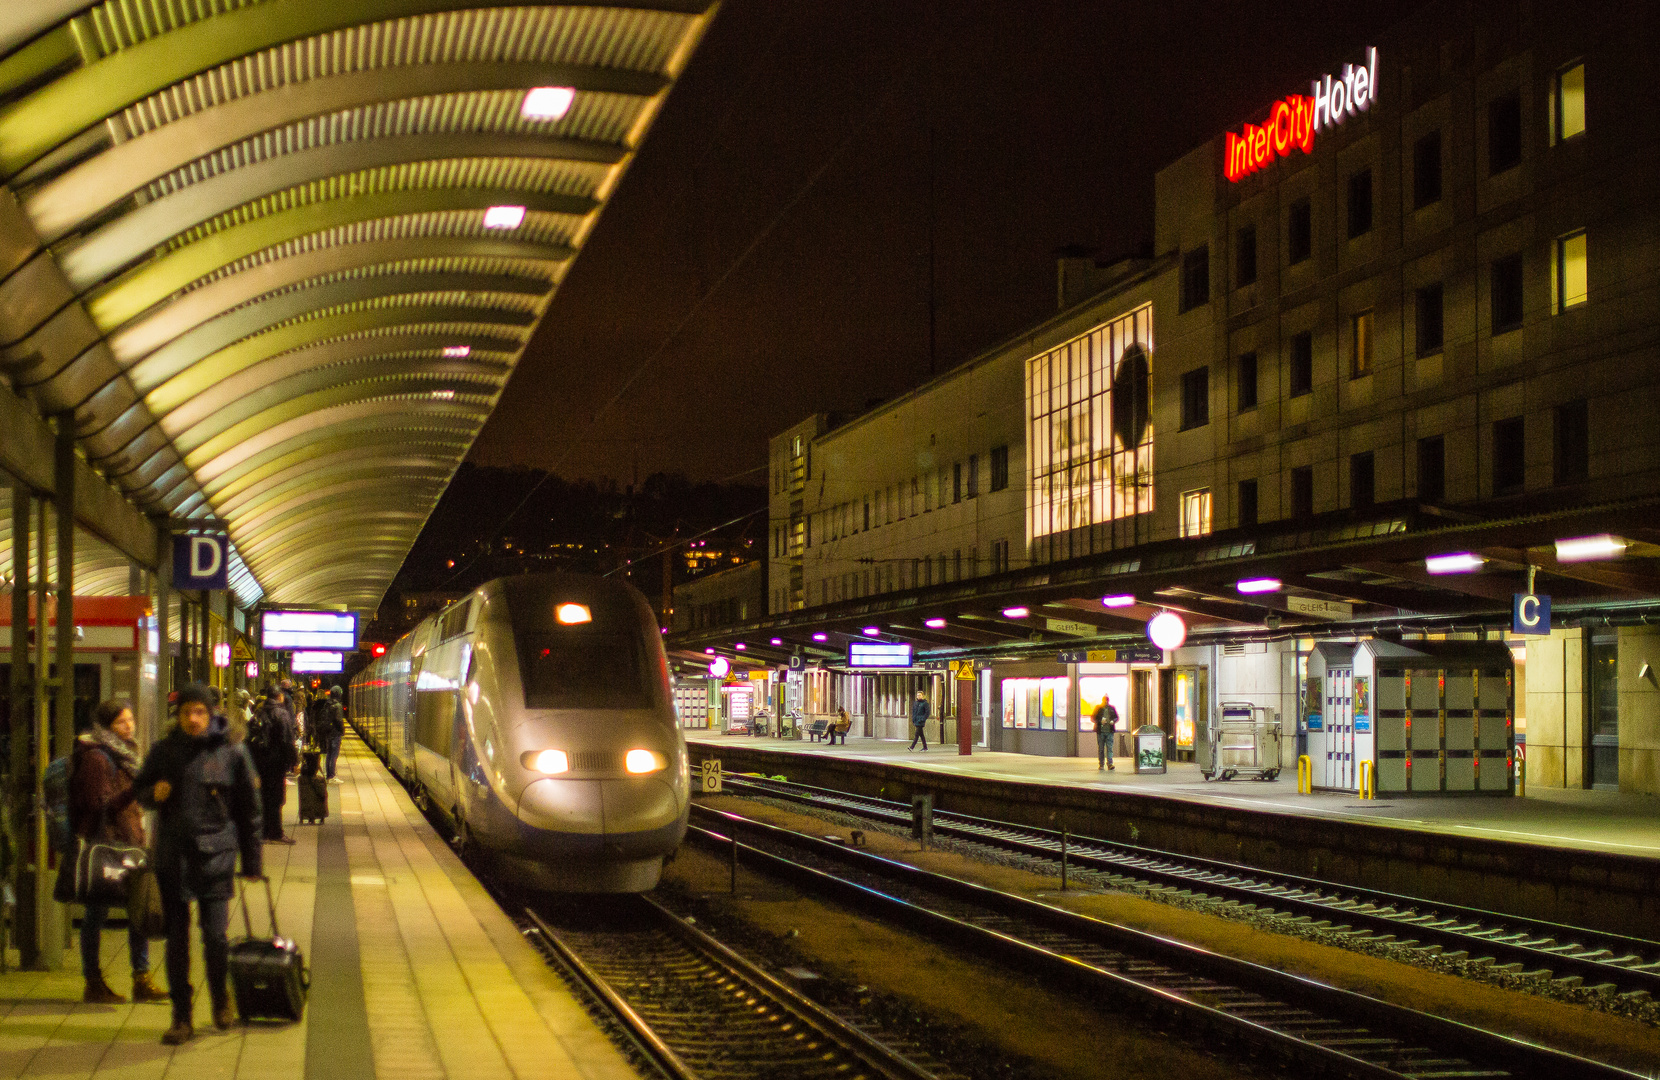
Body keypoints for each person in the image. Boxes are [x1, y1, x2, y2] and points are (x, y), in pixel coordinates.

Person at [134, 682, 262, 1044]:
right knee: (177, 939)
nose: (193, 718)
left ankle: (221, 998)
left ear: (212, 714)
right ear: (178, 715)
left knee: (216, 936)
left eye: (200, 712)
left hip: (216, 857)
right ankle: (181, 1016)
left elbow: (249, 810)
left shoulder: (233, 752)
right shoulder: (163, 752)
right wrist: (151, 795)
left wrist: (251, 860)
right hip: (174, 856)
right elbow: (140, 789)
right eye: (187, 711)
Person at [67, 700, 168, 1005]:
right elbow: (98, 804)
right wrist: (134, 792)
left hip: (129, 842)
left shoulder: (127, 755)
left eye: (130, 720)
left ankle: (141, 978)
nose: (129, 726)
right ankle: (93, 980)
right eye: (121, 722)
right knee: (95, 915)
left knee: (138, 911)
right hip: (107, 845)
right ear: (106, 726)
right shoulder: (97, 758)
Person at [248, 686, 299, 844]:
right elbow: (287, 739)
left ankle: (263, 832)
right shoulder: (282, 713)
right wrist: (294, 762)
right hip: (276, 762)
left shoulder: (259, 712)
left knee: (263, 796)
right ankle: (276, 832)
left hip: (260, 762)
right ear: (280, 696)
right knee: (277, 798)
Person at [309, 686, 346, 783]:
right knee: (334, 754)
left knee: (329, 753)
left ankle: (328, 774)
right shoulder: (337, 705)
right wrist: (342, 730)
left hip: (328, 732)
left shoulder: (327, 704)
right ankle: (331, 775)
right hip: (335, 732)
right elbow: (338, 720)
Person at [1094, 696, 1121, 771]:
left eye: (1107, 701)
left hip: (1109, 731)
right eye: (1104, 701)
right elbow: (1093, 717)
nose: (1106, 702)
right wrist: (1100, 721)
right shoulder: (1098, 708)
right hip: (1101, 731)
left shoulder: (1112, 708)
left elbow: (1116, 717)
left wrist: (1113, 721)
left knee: (1109, 748)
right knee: (1101, 749)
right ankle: (1101, 764)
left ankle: (1110, 763)